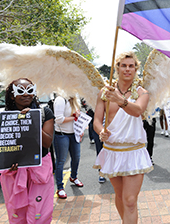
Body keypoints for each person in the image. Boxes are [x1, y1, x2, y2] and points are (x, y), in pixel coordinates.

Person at [93, 51, 153, 223]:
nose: (127, 69)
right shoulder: (105, 92)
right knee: (119, 196)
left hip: (134, 152)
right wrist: (100, 131)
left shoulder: (142, 93)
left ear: (136, 69)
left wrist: (120, 100)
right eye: (124, 65)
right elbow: (97, 121)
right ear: (117, 68)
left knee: (130, 200)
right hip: (112, 151)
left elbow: (138, 111)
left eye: (131, 66)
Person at [0, 78, 54, 223]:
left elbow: (46, 143)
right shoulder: (4, 119)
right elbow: (2, 148)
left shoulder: (44, 113)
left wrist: (32, 121)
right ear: (12, 95)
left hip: (40, 170)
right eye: (20, 91)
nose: (26, 94)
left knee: (40, 213)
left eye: (30, 90)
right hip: (15, 172)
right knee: (17, 213)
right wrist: (9, 162)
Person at [53, 95, 83, 199]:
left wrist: (81, 130)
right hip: (62, 134)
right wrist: (74, 117)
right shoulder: (60, 99)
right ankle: (60, 188)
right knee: (61, 161)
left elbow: (79, 117)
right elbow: (59, 119)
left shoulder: (75, 98)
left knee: (76, 157)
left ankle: (73, 177)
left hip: (74, 133)